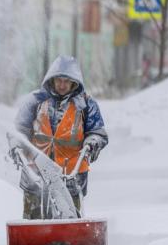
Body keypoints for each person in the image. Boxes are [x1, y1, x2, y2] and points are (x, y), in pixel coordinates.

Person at [14, 55, 108, 219]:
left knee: (70, 217)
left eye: (66, 81)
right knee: (34, 217)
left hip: (71, 174)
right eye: (59, 80)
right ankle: (33, 242)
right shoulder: (35, 100)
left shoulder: (86, 105)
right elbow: (19, 130)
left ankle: (71, 243)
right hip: (36, 171)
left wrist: (92, 143)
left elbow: (97, 132)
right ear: (52, 79)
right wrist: (16, 144)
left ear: (74, 82)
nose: (62, 85)